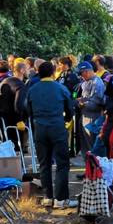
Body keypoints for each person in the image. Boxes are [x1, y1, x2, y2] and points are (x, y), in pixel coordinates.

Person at [28, 61, 77, 209]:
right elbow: (70, 109)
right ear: (52, 72)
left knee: (44, 164)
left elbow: (27, 109)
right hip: (57, 127)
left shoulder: (32, 89)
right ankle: (61, 199)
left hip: (40, 129)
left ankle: (47, 197)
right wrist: (66, 119)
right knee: (62, 163)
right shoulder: (60, 88)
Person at [77, 62, 106, 152]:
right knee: (86, 144)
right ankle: (88, 163)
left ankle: (94, 164)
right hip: (85, 116)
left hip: (93, 118)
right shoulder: (85, 82)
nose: (82, 76)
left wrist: (82, 103)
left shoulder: (97, 83)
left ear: (86, 71)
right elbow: (87, 98)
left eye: (82, 73)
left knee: (92, 145)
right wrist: (80, 100)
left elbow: (96, 103)